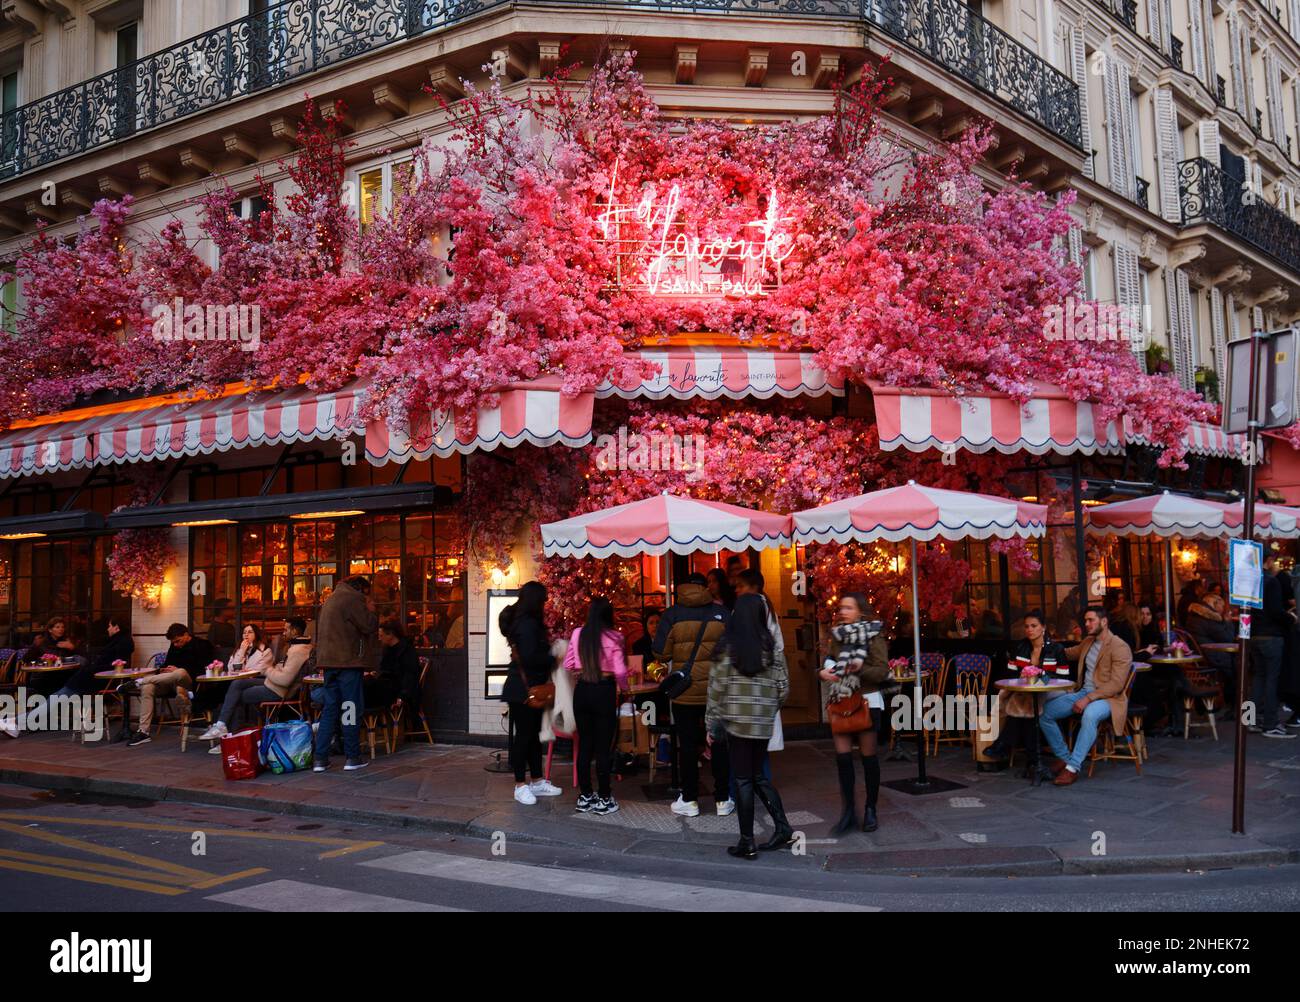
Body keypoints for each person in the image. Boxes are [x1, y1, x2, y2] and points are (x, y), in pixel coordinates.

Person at [706, 590, 792, 859]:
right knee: (757, 776)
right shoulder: (772, 651)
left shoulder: (726, 650)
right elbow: (784, 689)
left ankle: (747, 841)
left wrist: (711, 725)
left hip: (736, 722)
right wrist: (766, 709)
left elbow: (716, 691)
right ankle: (783, 828)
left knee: (743, 778)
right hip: (762, 723)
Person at [653, 572, 730, 818]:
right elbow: (732, 649)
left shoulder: (672, 614)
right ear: (705, 587)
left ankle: (689, 799)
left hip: (684, 692)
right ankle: (722, 799)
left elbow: (660, 654)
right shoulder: (721, 613)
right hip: (715, 691)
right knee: (718, 742)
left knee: (686, 746)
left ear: (681, 587)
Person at [1037, 607, 1133, 784]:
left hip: (1108, 698)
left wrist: (1089, 698)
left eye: (1091, 620)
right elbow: (1068, 653)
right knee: (1045, 713)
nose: (1086, 624)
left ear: (1103, 622)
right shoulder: (1089, 642)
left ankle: (1073, 767)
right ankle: (1064, 757)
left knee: (1089, 715)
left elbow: (1117, 685)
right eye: (1086, 620)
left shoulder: (1120, 647)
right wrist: (1043, 646)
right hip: (1083, 692)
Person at [820, 593, 889, 834]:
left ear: (861, 611)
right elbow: (830, 659)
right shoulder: (837, 635)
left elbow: (881, 672)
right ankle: (848, 812)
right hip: (841, 700)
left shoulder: (873, 635)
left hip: (868, 701)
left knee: (869, 758)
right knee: (843, 760)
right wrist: (825, 671)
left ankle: (870, 809)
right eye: (841, 607)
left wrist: (857, 669)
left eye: (849, 608)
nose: (843, 611)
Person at [562, 597, 628, 814]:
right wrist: (625, 688)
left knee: (585, 745)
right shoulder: (615, 636)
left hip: (582, 691)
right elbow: (619, 671)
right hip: (603, 692)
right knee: (602, 747)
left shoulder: (578, 633)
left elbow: (568, 664)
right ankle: (605, 798)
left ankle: (585, 795)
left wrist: (582, 670)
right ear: (609, 615)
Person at [500, 581, 562, 804]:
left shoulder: (523, 622)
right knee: (524, 737)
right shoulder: (527, 625)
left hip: (524, 688)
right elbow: (530, 657)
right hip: (523, 689)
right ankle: (520, 785)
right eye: (543, 600)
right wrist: (554, 658)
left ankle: (536, 781)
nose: (545, 604)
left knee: (532, 735)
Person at [200, 619, 312, 744]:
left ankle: (230, 740)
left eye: (286, 629)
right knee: (237, 684)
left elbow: (285, 680)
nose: (283, 632)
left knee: (236, 696)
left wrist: (267, 670)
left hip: (279, 690)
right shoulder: (295, 647)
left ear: (295, 631)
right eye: (244, 632)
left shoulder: (297, 651)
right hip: (272, 684)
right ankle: (222, 726)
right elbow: (232, 667)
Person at [984, 611, 1068, 773]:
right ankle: (1033, 760)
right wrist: (1020, 675)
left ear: (1043, 627)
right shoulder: (1020, 647)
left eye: (1034, 626)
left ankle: (1003, 744)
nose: (1029, 629)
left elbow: (1062, 678)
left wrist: (1040, 676)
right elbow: (1010, 675)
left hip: (1055, 690)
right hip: (1029, 693)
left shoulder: (1056, 649)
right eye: (1027, 626)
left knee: (1028, 701)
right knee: (1030, 704)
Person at [312, 575, 379, 772]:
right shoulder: (352, 599)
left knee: (330, 709)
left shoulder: (331, 599)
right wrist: (372, 611)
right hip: (347, 663)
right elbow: (368, 625)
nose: (366, 597)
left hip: (328, 663)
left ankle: (320, 759)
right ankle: (352, 757)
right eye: (366, 593)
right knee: (350, 707)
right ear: (360, 588)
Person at [125, 623, 216, 747]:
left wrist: (177, 669)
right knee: (148, 687)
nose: (176, 645)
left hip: (189, 682)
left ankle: (140, 681)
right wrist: (164, 670)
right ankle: (143, 732)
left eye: (178, 641)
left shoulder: (202, 645)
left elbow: (205, 669)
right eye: (173, 642)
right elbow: (167, 663)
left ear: (186, 634)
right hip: (169, 682)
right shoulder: (174, 646)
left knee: (180, 672)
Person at [1250, 553, 1297, 738]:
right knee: (1271, 680)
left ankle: (1250, 721)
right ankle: (1270, 723)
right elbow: (1276, 611)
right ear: (1268, 561)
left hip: (1253, 635)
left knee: (1257, 679)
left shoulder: (1248, 581)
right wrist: (1291, 617)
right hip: (1271, 636)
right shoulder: (1271, 581)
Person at [54, 617, 134, 698]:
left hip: (100, 679)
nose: (108, 629)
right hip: (99, 677)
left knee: (64, 691)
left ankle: (44, 709)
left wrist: (89, 669)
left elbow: (112, 664)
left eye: (109, 626)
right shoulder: (118, 641)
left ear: (116, 628)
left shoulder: (120, 642)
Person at [370, 620, 422, 714]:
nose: (379, 638)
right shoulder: (388, 650)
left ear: (390, 635)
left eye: (381, 635)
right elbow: (386, 670)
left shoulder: (406, 651)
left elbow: (409, 676)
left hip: (399, 690)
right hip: (389, 687)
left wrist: (402, 696)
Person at [207, 599, 239, 664]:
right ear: (222, 610)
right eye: (231, 608)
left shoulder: (229, 626)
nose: (235, 611)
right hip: (223, 660)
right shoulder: (215, 627)